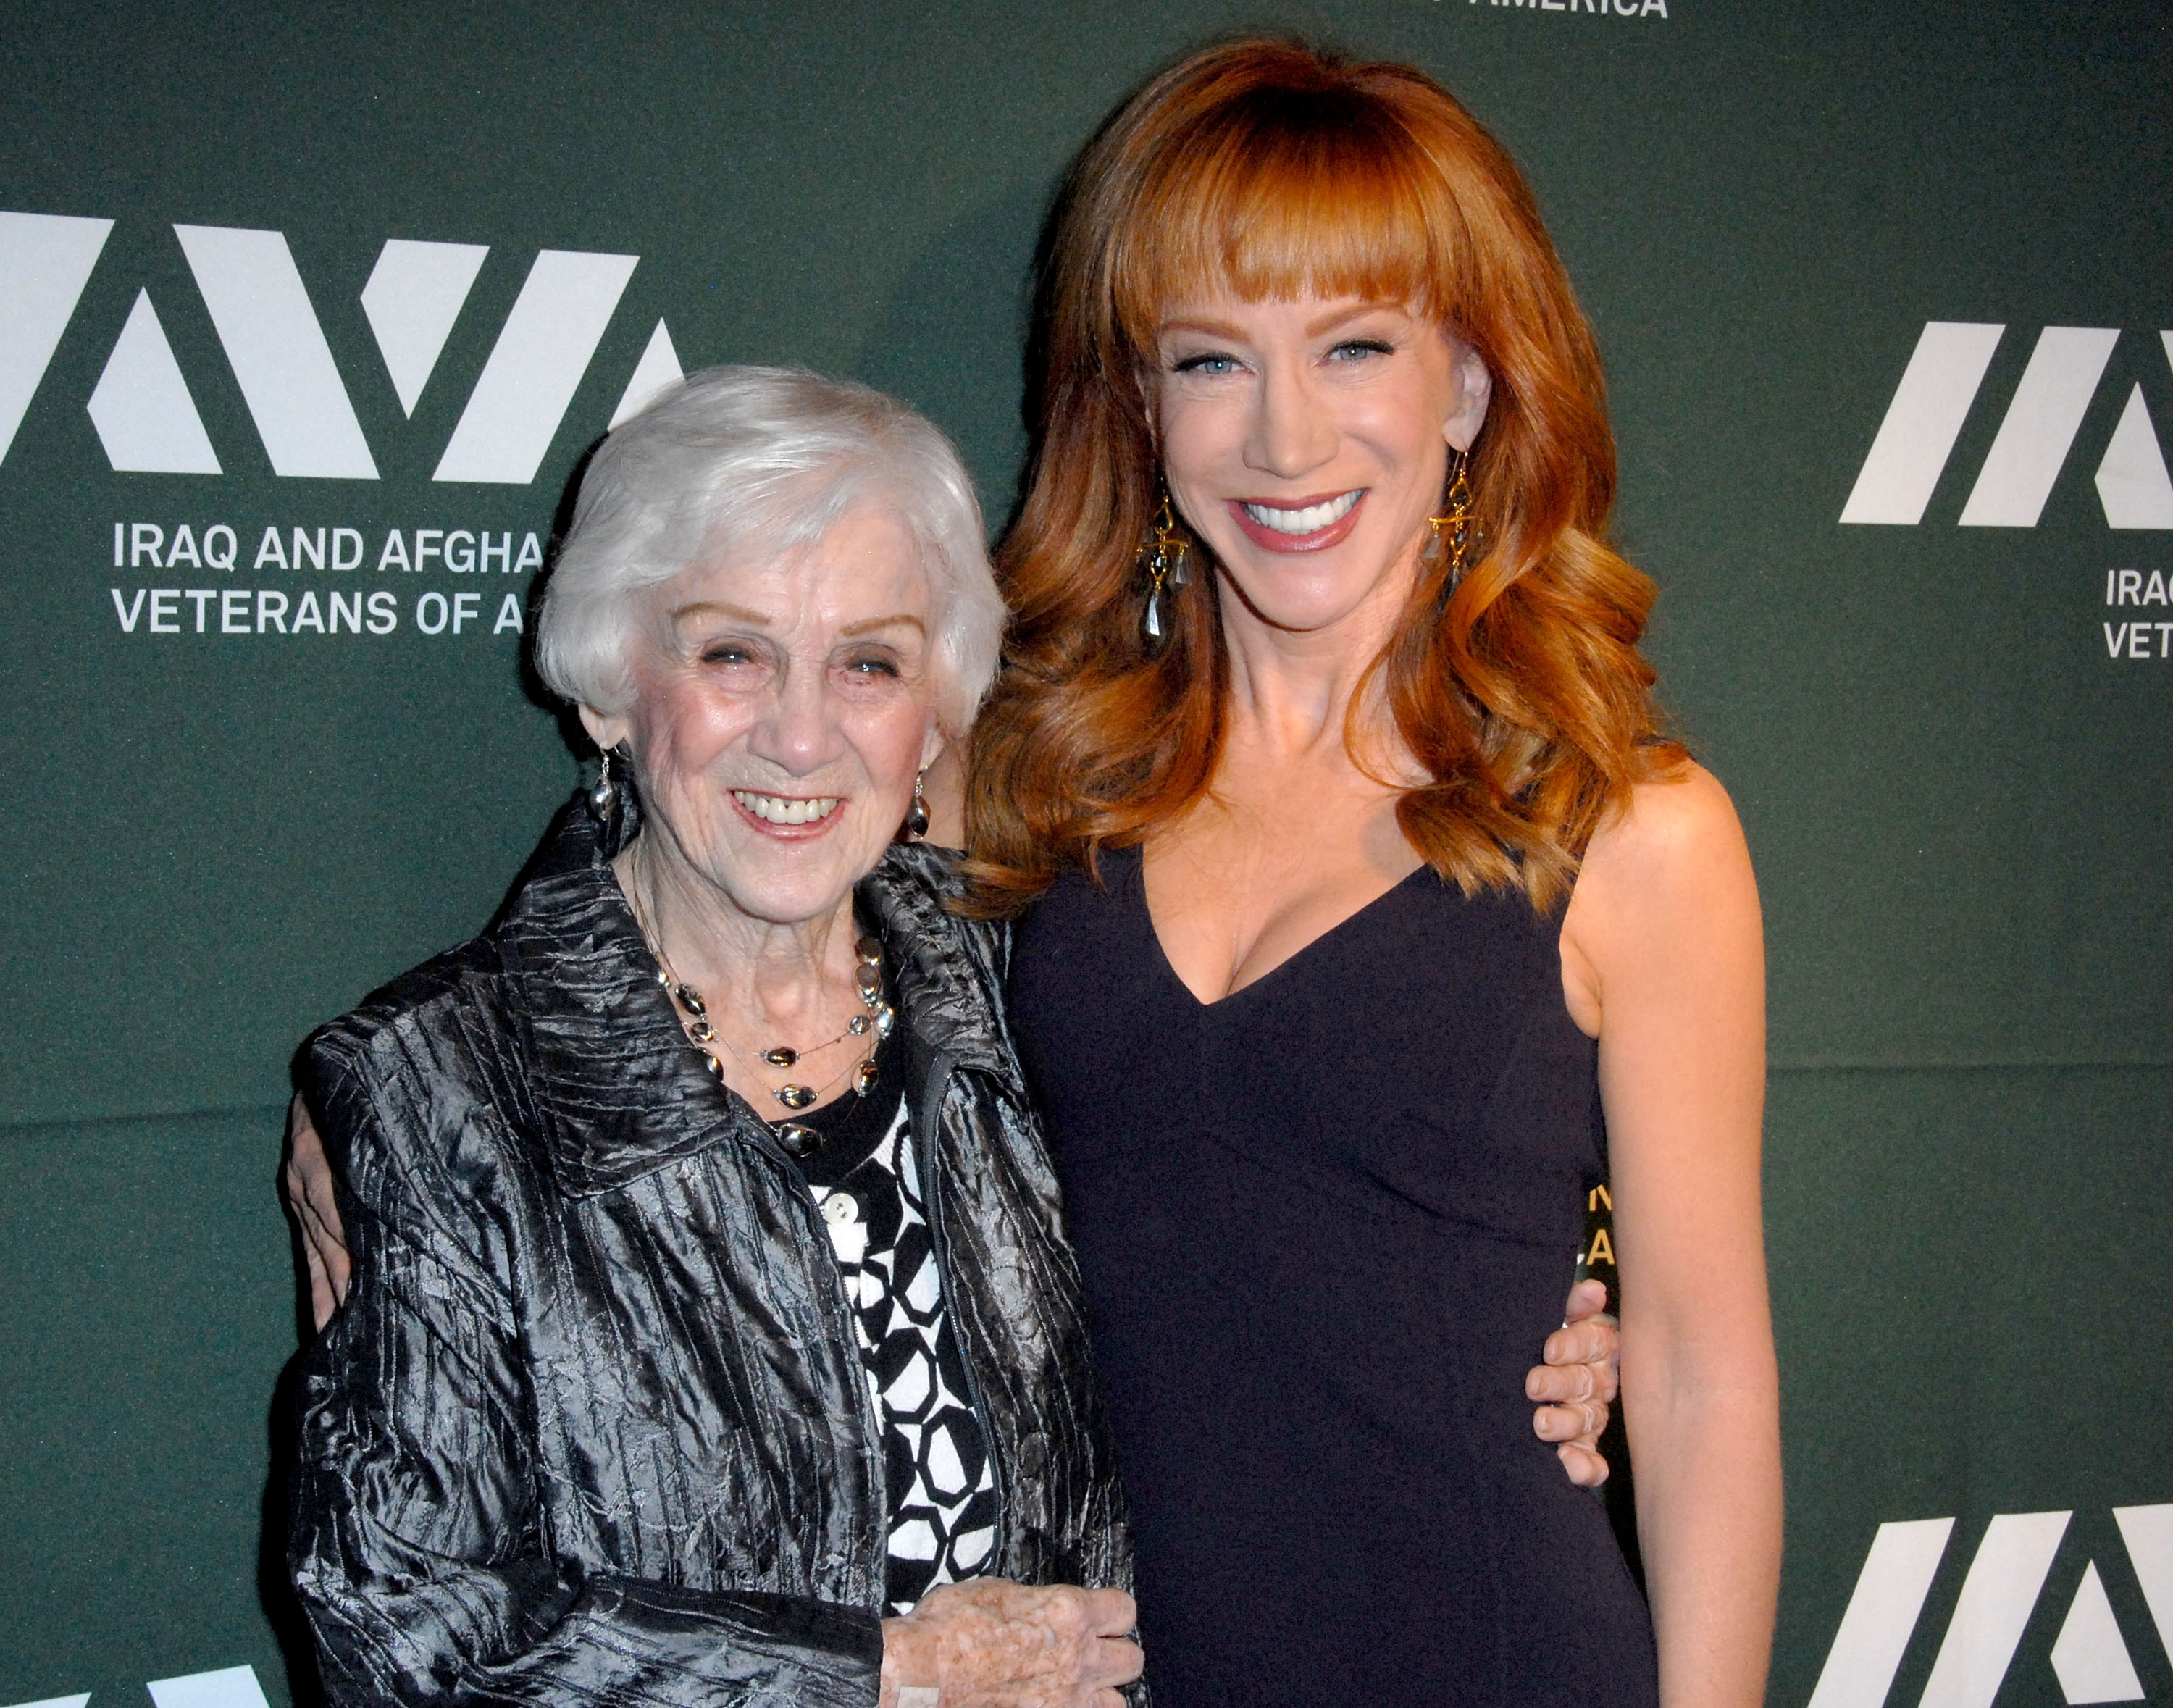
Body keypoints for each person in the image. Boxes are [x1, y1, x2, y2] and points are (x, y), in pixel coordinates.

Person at [963, 38, 1779, 1708]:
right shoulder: (1026, 780)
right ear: (1136, 402)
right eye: (1211, 360)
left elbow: (1702, 1383)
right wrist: (379, 1102)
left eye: (1355, 347)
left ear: (1468, 387)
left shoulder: (1634, 831)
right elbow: (704, 919)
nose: (1283, 438)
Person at [287, 367, 1144, 1707]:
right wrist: (885, 1677)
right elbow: (406, 1626)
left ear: (936, 720)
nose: (802, 737)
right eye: (732, 653)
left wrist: (1540, 1342)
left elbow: (1259, 1282)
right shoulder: (444, 1086)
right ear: (610, 690)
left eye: (870, 662)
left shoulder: (1044, 992)